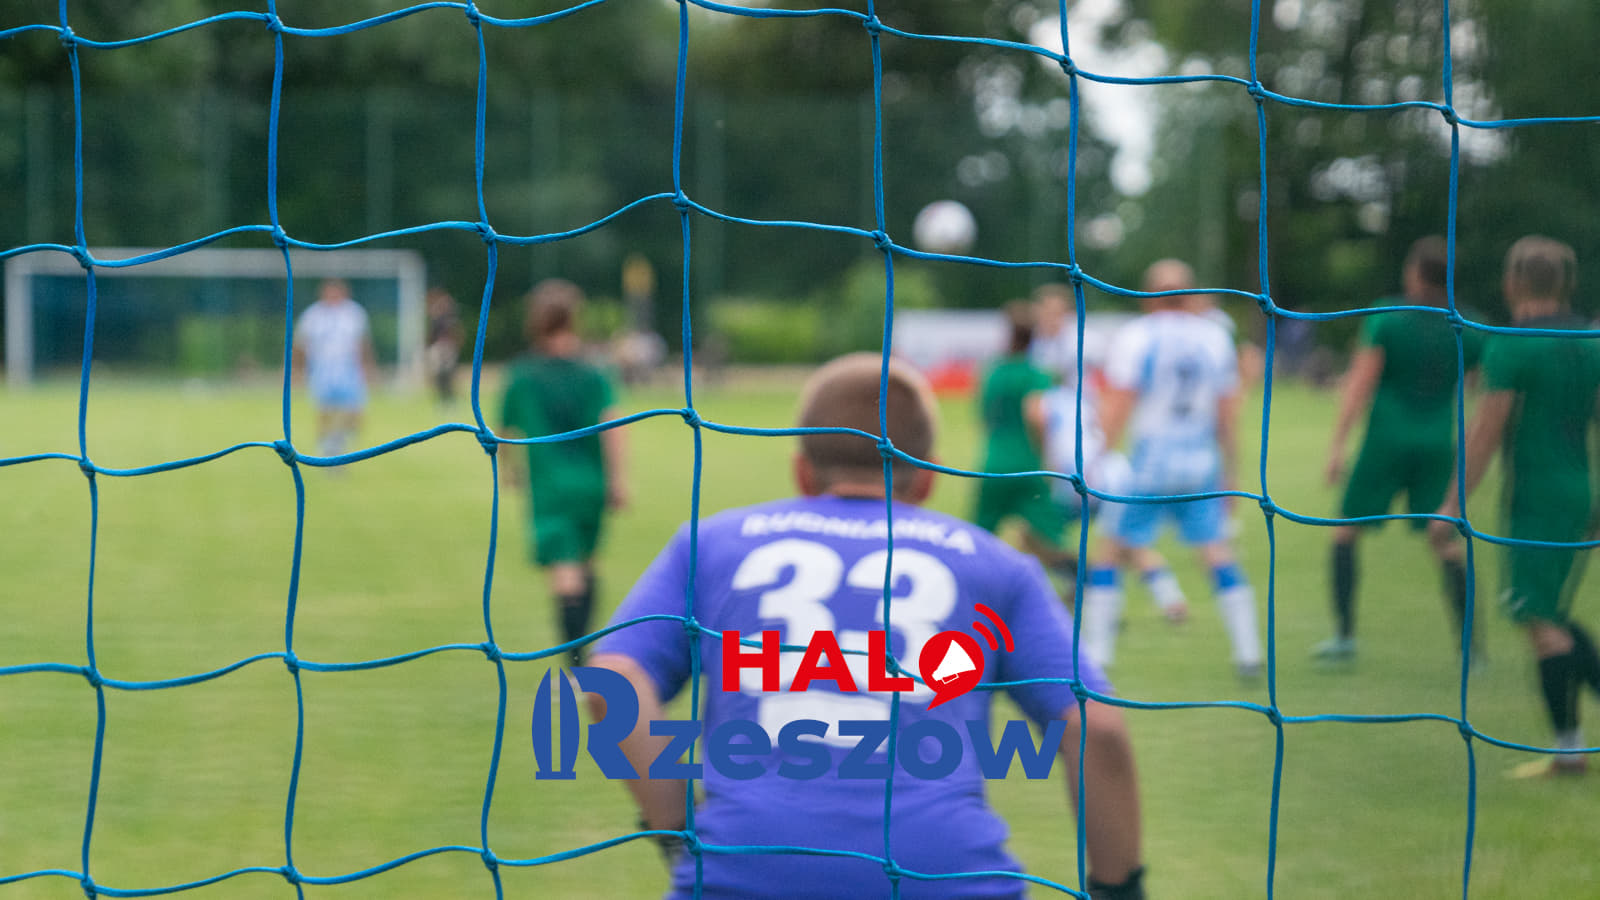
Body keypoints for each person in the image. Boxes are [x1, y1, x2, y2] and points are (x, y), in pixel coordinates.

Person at [586, 352, 1146, 899]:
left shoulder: (711, 544)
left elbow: (611, 677)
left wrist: (676, 828)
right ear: (926, 480)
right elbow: (1095, 727)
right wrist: (1118, 887)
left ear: (802, 472)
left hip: (746, 870)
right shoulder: (995, 563)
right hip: (944, 875)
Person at [1430, 236, 1600, 777]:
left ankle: (1569, 750)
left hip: (1537, 499)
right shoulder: (1592, 342)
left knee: (1537, 617)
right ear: (1567, 284)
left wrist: (1451, 506)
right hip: (1580, 488)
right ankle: (1570, 747)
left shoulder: (1511, 345)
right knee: (1548, 610)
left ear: (1511, 283)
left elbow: (1485, 434)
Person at [1079, 259, 1262, 676]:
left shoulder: (1137, 336)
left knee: (1109, 552)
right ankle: (1249, 652)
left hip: (1150, 463)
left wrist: (1096, 459)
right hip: (1200, 462)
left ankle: (1097, 657)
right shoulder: (1214, 337)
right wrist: (1231, 469)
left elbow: (1120, 403)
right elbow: (1227, 411)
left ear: (1148, 295)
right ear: (1189, 294)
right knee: (1216, 551)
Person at [1318, 236, 1484, 662]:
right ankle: (1471, 648)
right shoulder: (1466, 324)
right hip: (1438, 443)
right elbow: (1484, 384)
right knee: (1445, 539)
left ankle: (1344, 637)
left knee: (1346, 531)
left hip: (1385, 441)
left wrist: (1337, 446)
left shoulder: (1387, 317)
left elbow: (1360, 383)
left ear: (1415, 272)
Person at [499, 279, 628, 666]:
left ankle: (575, 664)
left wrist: (509, 470)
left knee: (565, 572)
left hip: (550, 486)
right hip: (591, 483)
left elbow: (504, 432)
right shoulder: (594, 371)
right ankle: (584, 655)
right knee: (587, 565)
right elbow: (613, 426)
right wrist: (618, 480)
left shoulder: (523, 374)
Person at [972, 300, 1075, 575]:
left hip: (994, 463)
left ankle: (974, 586)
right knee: (1051, 536)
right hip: (1029, 465)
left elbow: (983, 415)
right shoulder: (1035, 374)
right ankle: (1082, 585)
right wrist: (1047, 454)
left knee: (979, 537)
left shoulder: (992, 372)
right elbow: (1036, 414)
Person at [292, 278, 376, 460]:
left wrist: (368, 368)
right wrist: (297, 370)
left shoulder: (354, 313)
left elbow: (363, 343)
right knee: (325, 410)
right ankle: (327, 446)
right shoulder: (313, 315)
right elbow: (300, 344)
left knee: (354, 412)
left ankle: (340, 439)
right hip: (322, 369)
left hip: (349, 369)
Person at [424, 286, 463, 409]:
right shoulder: (436, 319)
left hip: (448, 348)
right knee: (438, 375)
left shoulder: (451, 319)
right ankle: (442, 399)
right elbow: (431, 336)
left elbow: (457, 334)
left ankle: (450, 399)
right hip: (439, 348)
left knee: (449, 375)